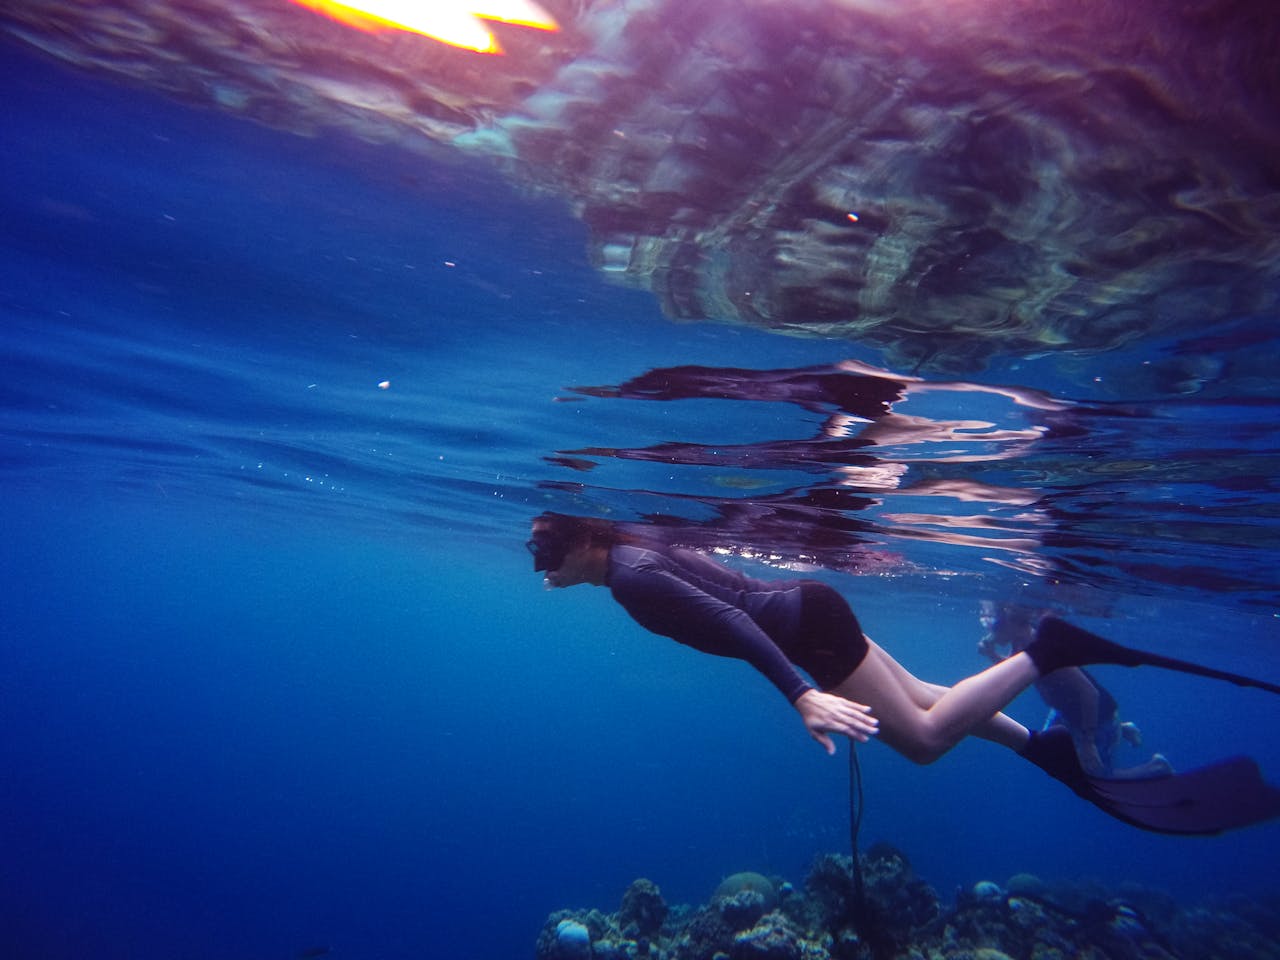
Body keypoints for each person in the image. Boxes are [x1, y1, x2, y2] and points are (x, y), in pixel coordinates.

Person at [527, 512, 1280, 834]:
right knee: (925, 696)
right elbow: (727, 583)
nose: (539, 574)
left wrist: (802, 695)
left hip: (808, 632)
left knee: (921, 738)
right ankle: (1040, 746)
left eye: (541, 557)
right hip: (812, 611)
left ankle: (1045, 651)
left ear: (576, 547)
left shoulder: (629, 576)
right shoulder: (635, 545)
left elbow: (731, 619)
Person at [978, 601, 1172, 779]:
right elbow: (1017, 669)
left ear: (1012, 623)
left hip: (1096, 715)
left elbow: (1089, 693)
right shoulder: (1021, 642)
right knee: (1049, 749)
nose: (989, 630)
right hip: (1066, 711)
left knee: (1097, 774)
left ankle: (1156, 767)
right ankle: (1124, 729)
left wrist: (1088, 744)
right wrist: (992, 654)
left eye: (994, 625)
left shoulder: (1043, 647)